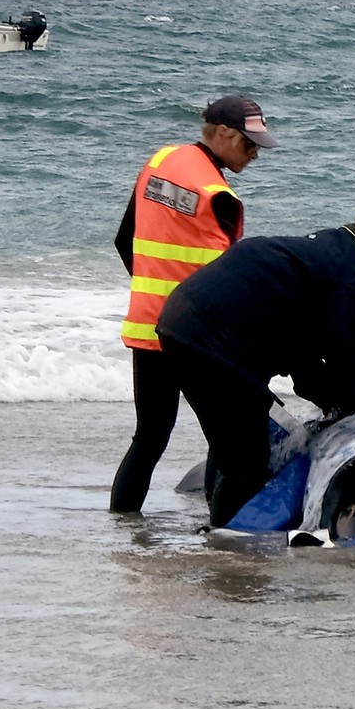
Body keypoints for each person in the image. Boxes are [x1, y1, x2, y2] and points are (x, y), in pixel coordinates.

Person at [156, 208, 355, 528]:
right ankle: (226, 547)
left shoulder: (329, 253)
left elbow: (305, 364)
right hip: (212, 339)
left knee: (233, 443)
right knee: (247, 460)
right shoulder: (353, 277)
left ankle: (220, 524)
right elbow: (349, 360)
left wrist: (337, 405)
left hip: (182, 322)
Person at [109, 95, 277, 513]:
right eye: (249, 143)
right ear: (221, 133)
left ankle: (122, 528)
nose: (255, 153)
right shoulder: (217, 194)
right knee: (224, 436)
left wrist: (160, 295)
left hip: (149, 327)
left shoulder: (160, 161)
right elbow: (229, 279)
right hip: (200, 337)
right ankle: (220, 525)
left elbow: (123, 241)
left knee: (149, 438)